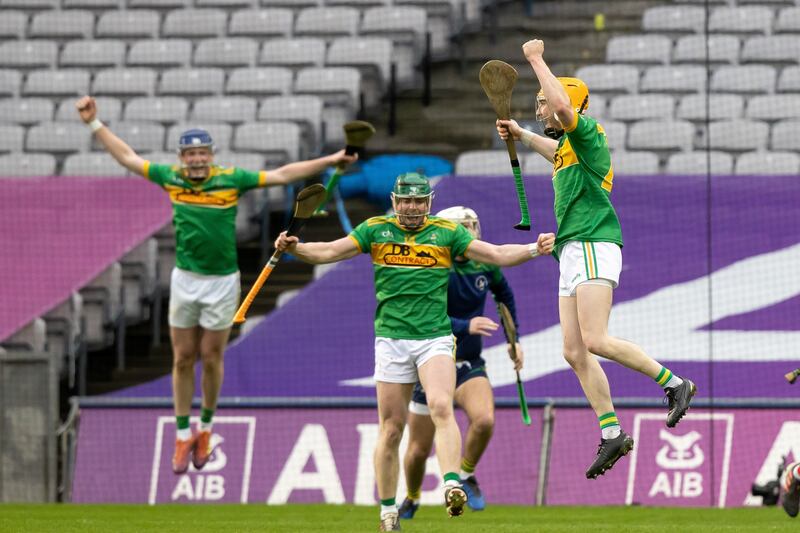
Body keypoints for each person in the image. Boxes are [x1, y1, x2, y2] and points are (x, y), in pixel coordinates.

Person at [75, 95, 356, 475]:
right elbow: (127, 157)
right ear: (181, 159)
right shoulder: (169, 178)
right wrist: (94, 123)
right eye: (190, 155)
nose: (196, 160)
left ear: (210, 155)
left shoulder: (231, 179)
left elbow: (283, 174)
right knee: (181, 358)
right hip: (186, 280)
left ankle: (205, 428)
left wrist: (329, 161)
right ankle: (181, 433)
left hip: (223, 282)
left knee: (211, 357)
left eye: (202, 153)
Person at [274, 173, 554, 531]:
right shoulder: (375, 230)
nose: (411, 207)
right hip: (391, 340)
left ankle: (453, 483)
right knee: (391, 430)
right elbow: (329, 250)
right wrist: (295, 248)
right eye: (405, 201)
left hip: (434, 338)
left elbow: (496, 254)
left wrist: (535, 248)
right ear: (394, 201)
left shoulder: (447, 233)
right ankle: (388, 511)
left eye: (419, 201)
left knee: (441, 405)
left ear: (429, 202)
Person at [495, 39, 696, 480]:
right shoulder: (568, 150)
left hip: (592, 242)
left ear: (569, 104)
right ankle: (612, 433)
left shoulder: (584, 130)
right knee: (572, 349)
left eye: (543, 103)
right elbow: (553, 152)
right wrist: (522, 134)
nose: (541, 109)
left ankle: (674, 383)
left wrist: (536, 60)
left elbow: (566, 111)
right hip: (572, 250)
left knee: (597, 339)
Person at [398, 206, 523, 519]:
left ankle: (465, 474)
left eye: (474, 225)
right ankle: (412, 496)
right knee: (417, 451)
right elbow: (425, 317)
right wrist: (466, 326)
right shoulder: (431, 265)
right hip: (429, 364)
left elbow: (504, 294)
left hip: (467, 362)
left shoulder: (484, 262)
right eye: (464, 227)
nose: (472, 232)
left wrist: (514, 339)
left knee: (484, 421)